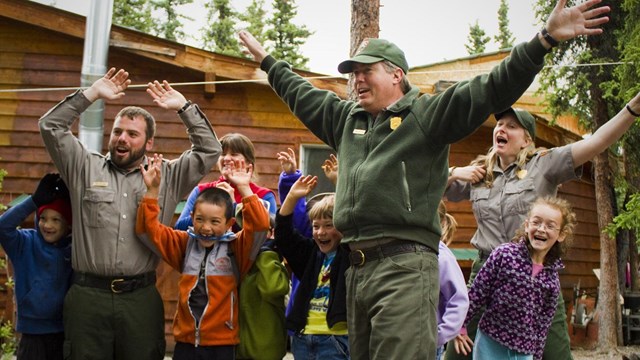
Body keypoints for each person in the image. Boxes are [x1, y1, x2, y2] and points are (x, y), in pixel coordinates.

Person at [239, 1, 610, 358]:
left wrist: (544, 39)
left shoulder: (426, 114)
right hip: (355, 267)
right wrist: (268, 61)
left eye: (367, 70)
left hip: (405, 265)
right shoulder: (345, 119)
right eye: (354, 73)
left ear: (397, 75)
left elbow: (492, 87)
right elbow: (300, 93)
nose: (358, 79)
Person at [38, 68, 221, 360]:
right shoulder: (84, 167)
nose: (122, 139)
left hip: (140, 298)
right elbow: (50, 126)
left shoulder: (168, 175)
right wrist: (91, 94)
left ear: (149, 143)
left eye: (132, 134)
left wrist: (184, 109)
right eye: (118, 132)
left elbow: (210, 150)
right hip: (88, 297)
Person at [445, 91, 640, 359]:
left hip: (536, 276)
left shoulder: (545, 164)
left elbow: (595, 142)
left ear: (527, 139)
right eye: (500, 124)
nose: (502, 128)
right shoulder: (479, 173)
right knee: (457, 352)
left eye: (512, 126)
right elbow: (430, 191)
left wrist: (632, 109)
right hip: (487, 273)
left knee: (555, 355)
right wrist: (454, 173)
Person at [137, 153, 271, 359]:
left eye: (215, 222)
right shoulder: (184, 244)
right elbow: (148, 231)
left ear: (229, 224)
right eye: (200, 219)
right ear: (191, 218)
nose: (206, 228)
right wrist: (152, 191)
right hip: (186, 343)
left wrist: (244, 189)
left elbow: (260, 227)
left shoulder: (237, 247)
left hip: (222, 345)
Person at [453, 196, 577, 360]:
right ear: (527, 226)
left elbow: (543, 323)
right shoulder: (504, 254)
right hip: (490, 341)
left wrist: (536, 355)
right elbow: (477, 292)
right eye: (536, 222)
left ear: (561, 235)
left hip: (523, 351)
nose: (541, 229)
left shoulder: (551, 278)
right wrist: (461, 325)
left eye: (550, 226)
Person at [275, 175, 349, 360]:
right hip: (303, 338)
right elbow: (284, 237)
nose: (321, 232)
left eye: (329, 225)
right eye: (316, 226)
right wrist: (291, 197)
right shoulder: (310, 254)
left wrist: (340, 183)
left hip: (337, 339)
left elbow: (358, 222)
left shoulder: (350, 253)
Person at [0, 173, 72, 360]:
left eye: (56, 220)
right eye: (43, 218)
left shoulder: (74, 250)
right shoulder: (24, 243)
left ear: (68, 225)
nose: (47, 225)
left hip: (63, 334)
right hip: (32, 337)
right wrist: (34, 201)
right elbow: (3, 227)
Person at [175, 132, 277, 231]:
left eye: (234, 154)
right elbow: (179, 227)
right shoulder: (201, 190)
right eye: (223, 154)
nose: (227, 158)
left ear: (248, 162)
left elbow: (268, 233)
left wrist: (233, 206)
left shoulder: (264, 195)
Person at [236, 229, 290, 360]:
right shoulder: (238, 263)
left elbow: (273, 289)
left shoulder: (272, 262)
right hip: (238, 349)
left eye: (262, 232)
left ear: (271, 234)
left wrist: (266, 254)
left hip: (266, 352)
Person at [436, 201, 468, 360]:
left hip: (428, 341)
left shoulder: (442, 257)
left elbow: (459, 300)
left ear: (441, 223)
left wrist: (440, 335)